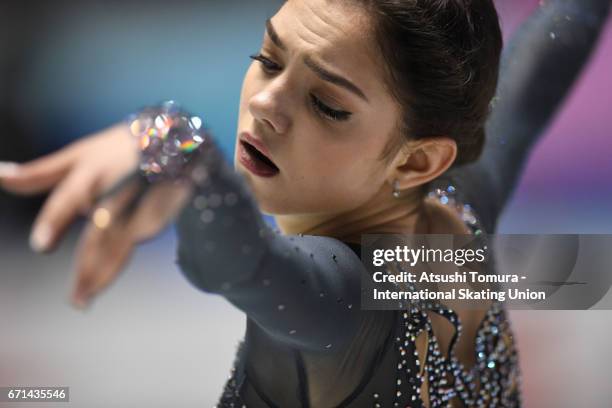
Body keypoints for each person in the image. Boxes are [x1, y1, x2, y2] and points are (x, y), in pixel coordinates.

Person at [0, 0, 609, 406]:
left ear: (418, 160)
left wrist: (172, 140)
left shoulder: (340, 295)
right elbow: (557, 40)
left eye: (328, 105)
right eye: (268, 58)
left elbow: (245, 262)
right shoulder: (459, 204)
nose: (266, 103)